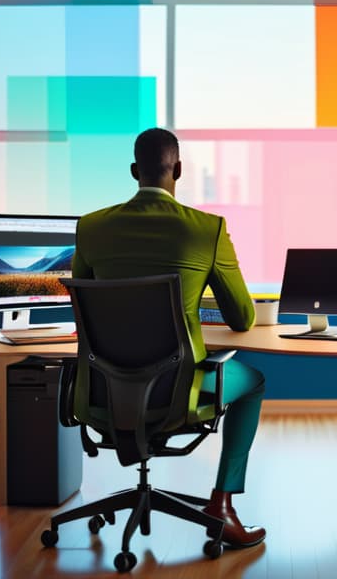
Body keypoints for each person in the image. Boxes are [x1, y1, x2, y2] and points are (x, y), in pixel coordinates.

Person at [71, 127, 267, 549]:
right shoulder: (207, 229)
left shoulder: (91, 228)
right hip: (180, 393)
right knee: (253, 382)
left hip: (101, 393)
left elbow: (83, 310)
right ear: (178, 170)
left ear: (133, 171)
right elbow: (243, 317)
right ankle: (223, 505)